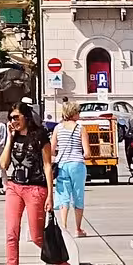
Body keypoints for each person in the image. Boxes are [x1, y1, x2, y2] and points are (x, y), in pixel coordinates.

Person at [0, 102, 76, 265]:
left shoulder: (40, 136)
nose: (13, 121)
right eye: (10, 118)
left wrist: (50, 195)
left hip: (35, 189)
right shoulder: (13, 136)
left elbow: (48, 166)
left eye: (16, 117)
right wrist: (9, 137)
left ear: (26, 117)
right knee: (11, 234)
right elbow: (3, 164)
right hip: (15, 187)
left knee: (38, 237)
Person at [52, 101, 89, 238]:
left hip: (62, 165)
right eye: (78, 112)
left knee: (63, 196)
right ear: (73, 113)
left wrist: (57, 156)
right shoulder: (80, 129)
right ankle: (78, 229)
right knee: (78, 195)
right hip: (77, 165)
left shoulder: (58, 128)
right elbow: (87, 152)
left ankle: (64, 226)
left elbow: (52, 149)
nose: (79, 114)